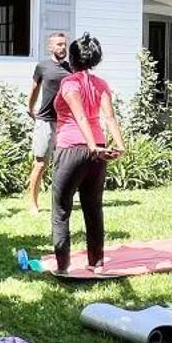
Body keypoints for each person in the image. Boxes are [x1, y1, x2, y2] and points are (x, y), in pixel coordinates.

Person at [48, 33, 126, 275]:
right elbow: (109, 117)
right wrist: (118, 145)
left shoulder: (70, 83)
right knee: (93, 208)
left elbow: (79, 115)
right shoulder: (101, 84)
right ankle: (96, 263)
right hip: (97, 151)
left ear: (72, 58)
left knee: (61, 209)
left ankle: (63, 266)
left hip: (72, 149)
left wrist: (92, 145)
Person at [25, 31, 71, 213]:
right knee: (41, 163)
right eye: (59, 44)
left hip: (65, 123)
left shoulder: (70, 68)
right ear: (50, 47)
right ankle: (33, 203)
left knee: (64, 165)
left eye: (64, 44)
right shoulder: (42, 66)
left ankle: (60, 202)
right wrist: (30, 108)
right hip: (45, 120)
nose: (62, 47)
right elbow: (34, 90)